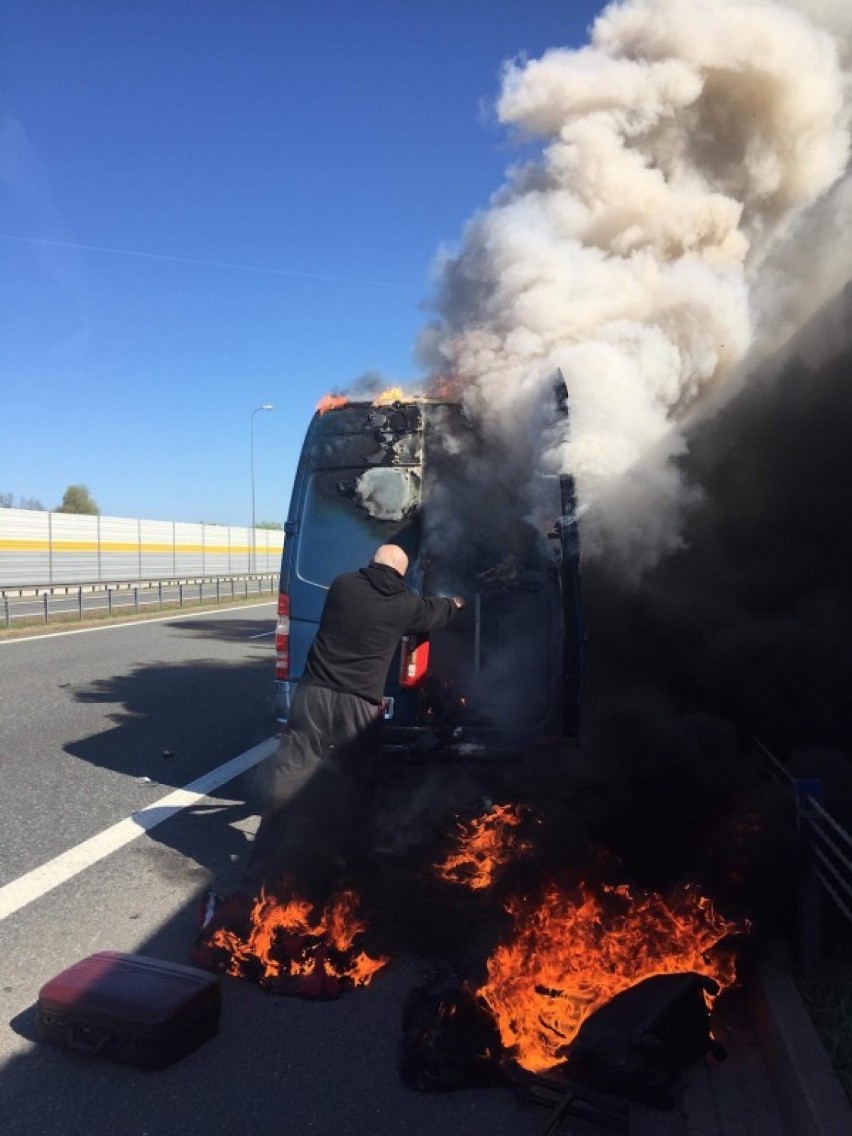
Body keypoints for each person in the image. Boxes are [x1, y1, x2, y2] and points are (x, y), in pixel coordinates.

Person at [243, 543, 465, 895]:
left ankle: (263, 860)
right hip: (358, 705)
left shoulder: (342, 586)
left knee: (292, 771)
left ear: (372, 563)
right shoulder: (404, 606)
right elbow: (437, 612)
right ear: (401, 574)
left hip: (314, 694)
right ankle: (350, 864)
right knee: (359, 781)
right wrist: (457, 602)